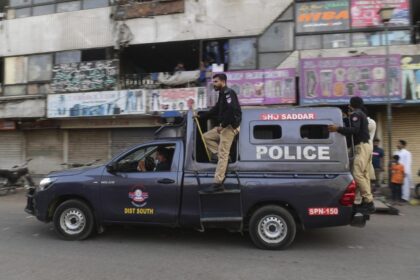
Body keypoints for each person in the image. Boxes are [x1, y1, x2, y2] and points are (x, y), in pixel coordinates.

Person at [328, 96, 375, 213]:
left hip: (362, 146)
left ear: (351, 104)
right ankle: (366, 202)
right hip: (367, 146)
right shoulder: (361, 114)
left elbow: (354, 130)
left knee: (357, 173)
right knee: (363, 175)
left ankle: (369, 202)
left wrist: (337, 128)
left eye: (349, 104)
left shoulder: (356, 114)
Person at [198, 73, 242, 192]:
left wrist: (222, 125)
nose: (214, 84)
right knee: (206, 137)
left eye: (216, 82)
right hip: (224, 126)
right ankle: (223, 157)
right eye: (213, 82)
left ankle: (218, 183)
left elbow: (232, 110)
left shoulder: (228, 93)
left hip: (229, 127)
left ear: (223, 81)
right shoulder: (222, 95)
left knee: (222, 154)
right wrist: (201, 116)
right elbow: (216, 109)